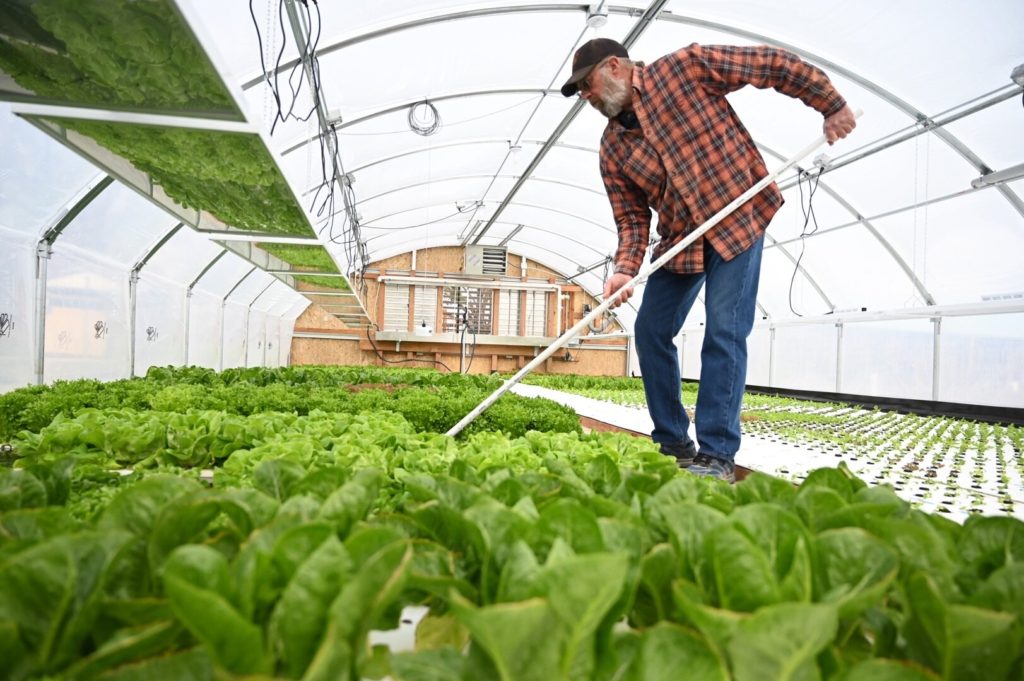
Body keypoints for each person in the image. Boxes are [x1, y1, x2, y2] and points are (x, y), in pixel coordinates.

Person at [561, 38, 855, 482]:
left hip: (738, 217)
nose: (586, 95)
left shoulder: (685, 68)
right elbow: (632, 218)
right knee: (650, 331)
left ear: (616, 67)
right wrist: (624, 268)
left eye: (587, 84)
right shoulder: (613, 149)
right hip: (683, 239)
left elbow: (770, 64)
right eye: (580, 91)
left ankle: (717, 452)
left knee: (724, 330)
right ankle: (673, 442)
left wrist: (830, 105)